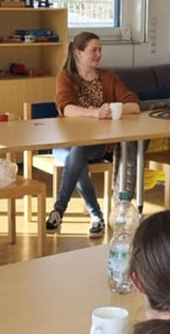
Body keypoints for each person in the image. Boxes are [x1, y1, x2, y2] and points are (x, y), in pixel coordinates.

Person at [50, 31, 140, 237]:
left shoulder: (108, 77)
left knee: (78, 153)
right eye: (94, 50)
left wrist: (112, 108)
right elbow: (65, 108)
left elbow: (134, 105)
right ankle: (96, 216)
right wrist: (94, 113)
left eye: (100, 50)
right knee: (76, 156)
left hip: (96, 145)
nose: (99, 54)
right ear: (78, 53)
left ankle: (59, 209)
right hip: (65, 142)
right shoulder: (65, 76)